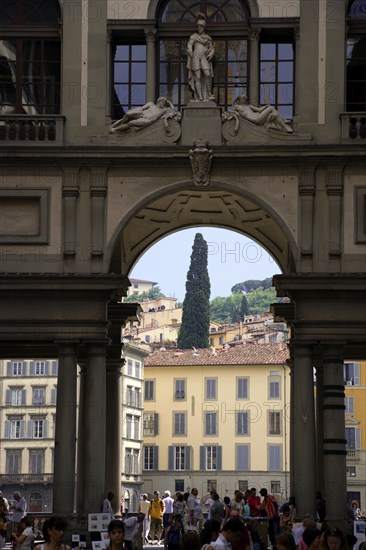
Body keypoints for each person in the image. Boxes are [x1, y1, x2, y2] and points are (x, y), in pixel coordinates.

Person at [186, 12, 215, 102]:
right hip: (195, 57)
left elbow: (212, 48)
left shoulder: (207, 38)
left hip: (204, 57)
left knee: (208, 74)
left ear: (204, 27)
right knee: (197, 76)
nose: (199, 28)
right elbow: (190, 44)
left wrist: (211, 53)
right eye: (198, 26)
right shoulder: (194, 36)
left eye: (201, 26)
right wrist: (190, 50)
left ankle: (209, 93)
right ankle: (199, 96)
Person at [110, 97, 177, 133]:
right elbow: (142, 108)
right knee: (128, 114)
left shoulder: (163, 110)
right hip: (143, 114)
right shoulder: (151, 104)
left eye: (165, 102)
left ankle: (115, 129)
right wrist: (134, 111)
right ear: (159, 101)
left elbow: (173, 110)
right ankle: (120, 125)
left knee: (131, 123)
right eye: (163, 101)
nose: (164, 103)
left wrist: (170, 103)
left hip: (148, 120)